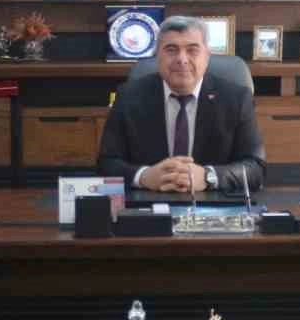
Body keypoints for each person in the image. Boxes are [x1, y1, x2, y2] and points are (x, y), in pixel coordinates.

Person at [98, 16, 266, 194]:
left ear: (207, 56)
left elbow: (255, 168)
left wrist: (209, 177)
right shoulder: (128, 97)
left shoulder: (237, 99)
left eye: (192, 50)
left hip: (214, 201)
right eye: (171, 50)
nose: (182, 59)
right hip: (149, 199)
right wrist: (143, 176)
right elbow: (107, 164)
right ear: (157, 56)